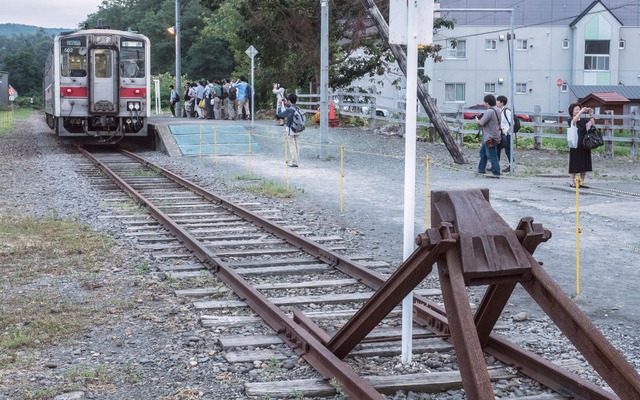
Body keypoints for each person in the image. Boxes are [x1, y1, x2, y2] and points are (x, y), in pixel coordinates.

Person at [568, 103, 594, 187]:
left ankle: (582, 180)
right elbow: (574, 121)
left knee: (585, 162)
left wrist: (591, 115)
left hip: (584, 143)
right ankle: (572, 181)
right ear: (572, 112)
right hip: (575, 143)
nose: (578, 110)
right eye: (576, 109)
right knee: (574, 161)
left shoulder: (584, 120)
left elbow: (592, 124)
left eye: (579, 109)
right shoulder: (571, 120)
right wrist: (582, 111)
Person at [475, 94, 502, 177]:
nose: (484, 104)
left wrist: (477, 119)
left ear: (488, 102)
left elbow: (482, 122)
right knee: (483, 153)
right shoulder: (497, 110)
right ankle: (481, 170)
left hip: (490, 137)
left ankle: (496, 173)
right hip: (494, 135)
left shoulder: (489, 111)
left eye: (485, 102)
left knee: (492, 155)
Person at [276, 93, 302, 167]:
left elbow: (280, 115)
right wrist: (285, 102)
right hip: (298, 129)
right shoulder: (297, 108)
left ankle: (294, 162)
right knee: (297, 145)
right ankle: (296, 160)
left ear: (289, 101)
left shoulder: (290, 109)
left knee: (292, 146)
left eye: (287, 100)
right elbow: (289, 107)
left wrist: (280, 106)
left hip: (291, 129)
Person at [496, 95, 512, 172]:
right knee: (497, 149)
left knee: (508, 150)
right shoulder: (499, 110)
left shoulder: (507, 111)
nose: (496, 102)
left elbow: (512, 123)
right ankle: (496, 164)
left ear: (502, 103)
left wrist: (508, 132)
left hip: (506, 134)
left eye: (498, 101)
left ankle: (511, 165)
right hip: (501, 133)